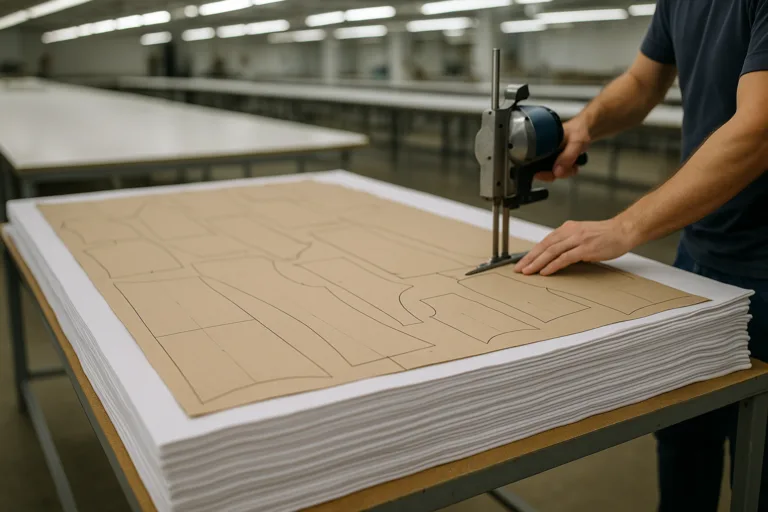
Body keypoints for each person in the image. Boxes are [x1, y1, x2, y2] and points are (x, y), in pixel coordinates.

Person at [513, 1, 768, 509]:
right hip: (699, 253)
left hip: (763, 263)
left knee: (758, 463)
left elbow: (759, 128)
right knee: (683, 438)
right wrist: (584, 124)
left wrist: (626, 226)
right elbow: (642, 82)